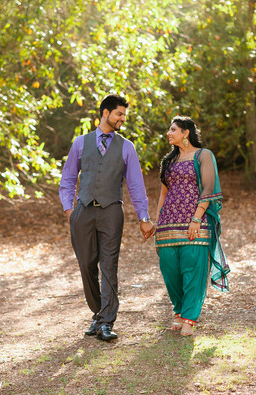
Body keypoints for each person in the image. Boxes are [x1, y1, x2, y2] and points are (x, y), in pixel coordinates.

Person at [59, 94, 155, 341]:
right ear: (105, 113)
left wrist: (143, 217)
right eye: (119, 114)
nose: (123, 119)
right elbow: (68, 178)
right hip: (82, 211)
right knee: (86, 264)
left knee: (109, 265)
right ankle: (99, 312)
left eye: (124, 115)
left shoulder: (127, 147)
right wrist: (69, 210)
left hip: (112, 211)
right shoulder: (80, 143)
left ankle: (106, 322)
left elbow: (135, 185)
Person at [154, 116, 230, 336]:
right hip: (168, 224)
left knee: (193, 269)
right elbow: (163, 194)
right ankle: (178, 310)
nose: (169, 133)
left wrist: (196, 219)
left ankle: (189, 316)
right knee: (170, 270)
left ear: (186, 132)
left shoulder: (203, 155)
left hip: (194, 222)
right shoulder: (169, 161)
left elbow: (208, 188)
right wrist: (158, 223)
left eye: (173, 129)